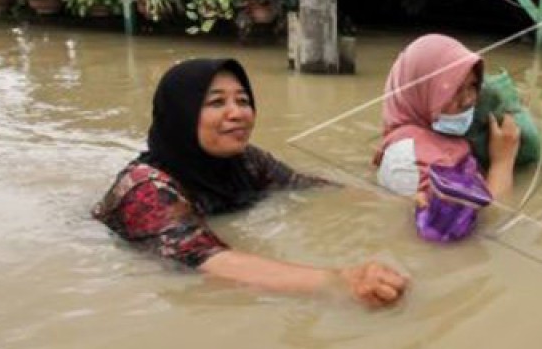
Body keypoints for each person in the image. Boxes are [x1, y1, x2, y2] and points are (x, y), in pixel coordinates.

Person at [94, 58, 408, 308]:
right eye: (217, 103)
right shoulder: (146, 189)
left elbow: (308, 187)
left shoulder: (245, 161)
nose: (238, 114)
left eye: (243, 101)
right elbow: (208, 260)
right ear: (181, 115)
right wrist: (338, 283)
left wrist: (403, 204)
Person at [374, 35, 521, 241]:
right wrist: (503, 162)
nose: (469, 99)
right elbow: (485, 225)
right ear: (421, 91)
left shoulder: (436, 133)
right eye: (454, 90)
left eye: (472, 86)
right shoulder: (409, 162)